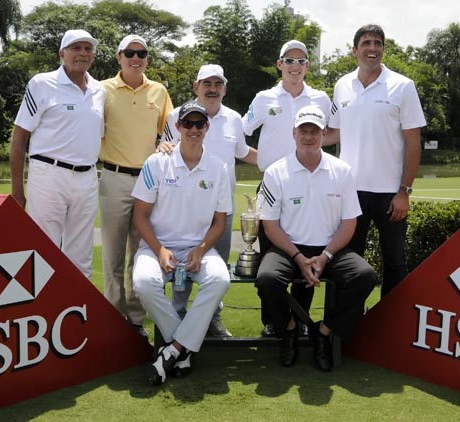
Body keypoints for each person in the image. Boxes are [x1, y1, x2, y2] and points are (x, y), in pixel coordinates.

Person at [256, 106, 376, 372]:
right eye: (303, 131)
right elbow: (270, 225)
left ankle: (323, 332)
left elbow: (349, 223)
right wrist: (298, 258)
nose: (308, 136)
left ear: (324, 134)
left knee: (365, 276)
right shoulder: (275, 172)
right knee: (266, 280)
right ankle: (288, 329)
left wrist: (325, 256)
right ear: (294, 133)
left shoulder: (342, 170)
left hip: (331, 248)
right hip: (288, 248)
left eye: (314, 131)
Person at [132, 101, 231, 386]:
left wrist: (200, 250)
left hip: (199, 248)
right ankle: (183, 348)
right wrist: (160, 249)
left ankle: (172, 350)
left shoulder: (218, 167)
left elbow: (220, 223)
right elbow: (139, 216)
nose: (194, 129)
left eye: (199, 124)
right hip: (156, 246)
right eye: (188, 124)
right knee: (143, 283)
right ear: (177, 127)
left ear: (207, 128)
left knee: (220, 279)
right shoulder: (157, 162)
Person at [325, 24, 426, 297]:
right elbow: (334, 132)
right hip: (350, 192)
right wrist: (297, 139)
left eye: (378, 43)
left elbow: (413, 143)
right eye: (366, 43)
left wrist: (404, 191)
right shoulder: (342, 85)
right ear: (354, 50)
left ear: (383, 49)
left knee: (394, 263)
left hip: (390, 194)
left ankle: (387, 329)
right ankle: (342, 332)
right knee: (346, 262)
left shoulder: (403, 86)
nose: (372, 48)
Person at [160, 64, 257, 337]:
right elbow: (164, 149)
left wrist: (282, 159)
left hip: (220, 212)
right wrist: (161, 146)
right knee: (183, 266)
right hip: (184, 209)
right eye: (207, 84)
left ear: (224, 88)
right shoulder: (176, 116)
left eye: (218, 84)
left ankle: (212, 319)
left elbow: (243, 152)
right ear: (196, 87)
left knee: (217, 270)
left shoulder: (234, 119)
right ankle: (177, 315)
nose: (212, 89)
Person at [243, 40, 332, 337]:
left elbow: (335, 131)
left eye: (301, 61)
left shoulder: (319, 99)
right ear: (279, 65)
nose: (295, 66)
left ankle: (301, 318)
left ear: (308, 66)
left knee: (307, 247)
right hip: (271, 183)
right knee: (270, 255)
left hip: (308, 180)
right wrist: (260, 159)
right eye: (289, 60)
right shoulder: (263, 98)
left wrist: (313, 153)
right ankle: (274, 319)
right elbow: (240, 131)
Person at [10, 29, 105, 279]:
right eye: (76, 48)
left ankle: (77, 314)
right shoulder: (42, 83)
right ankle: (41, 314)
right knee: (44, 250)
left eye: (88, 49)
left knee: (81, 257)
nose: (83, 53)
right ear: (62, 54)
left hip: (87, 177)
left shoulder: (99, 90)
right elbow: (20, 137)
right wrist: (17, 190)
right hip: (48, 174)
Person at [99, 34, 173, 337]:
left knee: (140, 253)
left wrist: (164, 146)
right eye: (129, 53)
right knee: (113, 255)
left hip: (147, 179)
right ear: (118, 57)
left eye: (141, 53)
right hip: (113, 176)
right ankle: (112, 317)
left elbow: (169, 132)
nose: (136, 58)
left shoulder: (158, 90)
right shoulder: (101, 90)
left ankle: (135, 319)